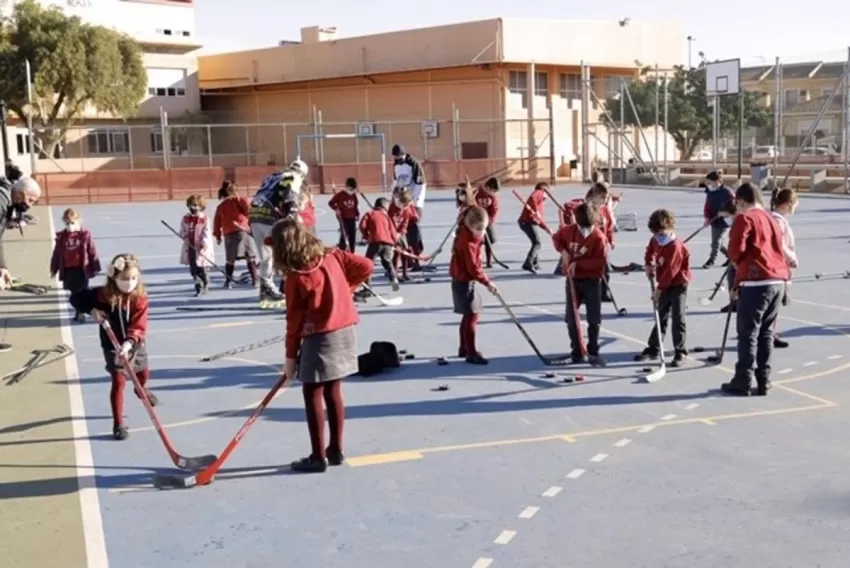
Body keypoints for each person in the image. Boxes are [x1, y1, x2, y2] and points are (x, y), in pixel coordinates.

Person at [270, 218, 373, 473]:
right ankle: (335, 450)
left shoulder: (297, 278)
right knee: (333, 390)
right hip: (345, 331)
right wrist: (346, 290)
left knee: (312, 393)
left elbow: (293, 323)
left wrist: (290, 359)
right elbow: (366, 265)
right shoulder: (332, 255)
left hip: (320, 338)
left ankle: (318, 457)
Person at [70, 254, 159, 440]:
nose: (130, 283)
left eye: (134, 278)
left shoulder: (140, 298)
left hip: (134, 344)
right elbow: (76, 298)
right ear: (114, 277)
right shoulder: (103, 295)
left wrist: (128, 343)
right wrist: (91, 310)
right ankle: (118, 423)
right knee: (118, 381)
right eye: (125, 279)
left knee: (143, 374)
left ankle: (141, 389)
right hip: (111, 345)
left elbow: (139, 325)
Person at [721, 183, 790, 397]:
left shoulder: (745, 218)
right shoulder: (772, 218)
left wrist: (736, 268)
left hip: (755, 280)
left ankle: (743, 379)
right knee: (766, 333)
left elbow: (735, 250)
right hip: (777, 280)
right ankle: (764, 380)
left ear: (740, 201)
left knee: (748, 333)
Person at [552, 203, 607, 365]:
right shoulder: (568, 231)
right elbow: (556, 238)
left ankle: (593, 350)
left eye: (588, 227)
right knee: (571, 317)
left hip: (592, 280)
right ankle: (577, 351)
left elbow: (600, 262)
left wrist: (579, 264)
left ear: (595, 222)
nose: (584, 231)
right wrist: (563, 251)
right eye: (581, 226)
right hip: (572, 281)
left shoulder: (599, 238)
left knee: (594, 318)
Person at [635, 209, 692, 367]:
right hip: (664, 282)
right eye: (655, 233)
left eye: (661, 233)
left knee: (678, 316)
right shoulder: (656, 240)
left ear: (670, 228)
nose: (658, 237)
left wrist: (658, 291)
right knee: (660, 314)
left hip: (678, 283)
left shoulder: (675, 246)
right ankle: (654, 347)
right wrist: (648, 264)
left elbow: (671, 272)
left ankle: (680, 351)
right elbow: (650, 251)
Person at [248, 160, 308, 305]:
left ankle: (266, 288)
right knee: (285, 253)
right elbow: (289, 196)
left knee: (265, 256)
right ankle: (290, 288)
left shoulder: (273, 176)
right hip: (270, 217)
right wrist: (292, 216)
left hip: (255, 215)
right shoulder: (294, 177)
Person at [450, 205, 497, 365]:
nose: (481, 232)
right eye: (479, 229)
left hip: (462, 280)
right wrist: (487, 282)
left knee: (467, 315)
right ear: (470, 226)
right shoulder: (468, 242)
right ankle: (471, 352)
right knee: (472, 315)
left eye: (483, 228)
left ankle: (464, 348)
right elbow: (473, 268)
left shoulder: (466, 232)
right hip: (464, 281)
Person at [0, 176, 41, 352]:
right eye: (30, 200)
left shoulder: (6, 199)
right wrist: (2, 267)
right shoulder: (2, 199)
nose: (30, 205)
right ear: (21, 194)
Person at [50, 208, 102, 322]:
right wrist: (54, 268)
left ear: (78, 221)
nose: (70, 225)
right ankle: (79, 311)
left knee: (83, 291)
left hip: (82, 269)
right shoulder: (62, 237)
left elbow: (92, 250)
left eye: (72, 222)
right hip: (69, 270)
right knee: (74, 293)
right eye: (67, 223)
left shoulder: (84, 235)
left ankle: (81, 312)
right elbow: (57, 253)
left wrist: (96, 266)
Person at [213, 180, 259, 289]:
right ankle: (255, 280)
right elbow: (249, 212)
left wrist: (218, 236)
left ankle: (228, 281)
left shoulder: (221, 206)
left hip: (229, 233)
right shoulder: (241, 200)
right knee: (250, 257)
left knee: (230, 259)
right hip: (243, 231)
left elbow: (217, 223)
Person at [770, 188, 799, 349]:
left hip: (778, 265)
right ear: (788, 204)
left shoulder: (777, 218)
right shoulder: (778, 221)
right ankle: (768, 335)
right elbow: (780, 244)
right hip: (777, 265)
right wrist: (791, 258)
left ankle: (770, 333)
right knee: (772, 302)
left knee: (773, 303)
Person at [391, 145, 426, 268]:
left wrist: (415, 203)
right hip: (402, 201)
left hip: (413, 202)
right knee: (403, 230)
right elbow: (396, 182)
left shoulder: (413, 164)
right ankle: (409, 259)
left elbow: (420, 184)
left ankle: (417, 255)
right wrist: (394, 198)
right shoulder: (396, 165)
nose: (396, 159)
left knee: (413, 230)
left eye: (398, 156)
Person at [359, 197, 400, 292]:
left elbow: (362, 226)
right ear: (385, 207)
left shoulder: (370, 214)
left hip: (375, 242)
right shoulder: (386, 217)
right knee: (387, 262)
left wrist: (366, 236)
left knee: (368, 264)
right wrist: (394, 243)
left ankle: (367, 287)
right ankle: (393, 278)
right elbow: (393, 231)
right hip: (387, 243)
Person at [179, 195, 214, 296]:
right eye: (190, 205)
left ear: (201, 206)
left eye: (195, 205)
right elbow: (182, 230)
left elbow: (206, 233)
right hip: (190, 247)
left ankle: (205, 283)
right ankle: (198, 287)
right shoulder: (186, 218)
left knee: (202, 267)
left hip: (202, 248)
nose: (192, 207)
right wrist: (185, 237)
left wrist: (204, 244)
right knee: (193, 268)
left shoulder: (205, 219)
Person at [701, 171, 735, 268]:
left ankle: (711, 260)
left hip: (725, 221)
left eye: (709, 182)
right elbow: (707, 206)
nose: (708, 185)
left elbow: (734, 206)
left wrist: (725, 213)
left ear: (717, 181)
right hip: (714, 220)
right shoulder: (710, 192)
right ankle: (731, 257)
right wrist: (707, 218)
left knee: (716, 242)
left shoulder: (727, 192)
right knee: (717, 243)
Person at [517, 182, 552, 274]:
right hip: (527, 222)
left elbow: (539, 220)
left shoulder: (540, 203)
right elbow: (532, 197)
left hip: (528, 222)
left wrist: (547, 229)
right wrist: (536, 210)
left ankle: (536, 263)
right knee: (537, 243)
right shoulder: (539, 192)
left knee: (535, 241)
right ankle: (528, 263)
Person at [388, 188, 419, 282]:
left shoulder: (406, 210)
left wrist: (401, 233)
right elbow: (388, 223)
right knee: (395, 254)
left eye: (406, 205)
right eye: (403, 204)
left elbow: (405, 222)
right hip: (391, 234)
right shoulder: (390, 209)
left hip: (401, 234)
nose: (404, 207)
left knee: (405, 252)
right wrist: (394, 234)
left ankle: (405, 273)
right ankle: (395, 275)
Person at [328, 177, 360, 252]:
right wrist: (336, 209)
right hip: (343, 217)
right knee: (344, 235)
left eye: (353, 189)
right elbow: (331, 203)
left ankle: (352, 252)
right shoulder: (340, 194)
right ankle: (342, 251)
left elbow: (355, 205)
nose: (351, 190)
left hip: (352, 218)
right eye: (350, 188)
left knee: (352, 235)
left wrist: (357, 214)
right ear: (347, 186)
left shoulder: (353, 195)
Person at [475, 177, 500, 268]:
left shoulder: (492, 197)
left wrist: (489, 220)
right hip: (475, 221)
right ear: (488, 187)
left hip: (487, 221)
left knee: (490, 240)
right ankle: (476, 260)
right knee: (477, 241)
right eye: (493, 190)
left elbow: (495, 209)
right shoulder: (476, 192)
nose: (493, 193)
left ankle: (489, 261)